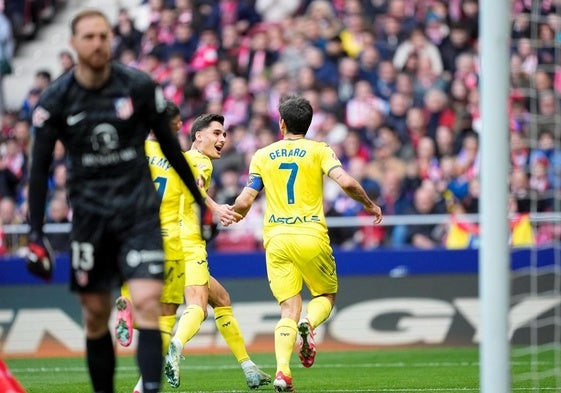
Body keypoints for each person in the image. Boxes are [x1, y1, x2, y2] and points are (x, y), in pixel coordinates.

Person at [25, 9, 205, 393]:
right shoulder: (56, 99)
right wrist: (35, 232)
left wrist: (199, 203)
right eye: (89, 37)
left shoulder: (138, 86)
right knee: (95, 315)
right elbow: (38, 170)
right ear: (73, 43)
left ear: (111, 40)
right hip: (90, 219)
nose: (97, 43)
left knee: (147, 304)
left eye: (103, 36)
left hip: (138, 215)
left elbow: (173, 150)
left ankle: (151, 389)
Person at [227, 95, 383, 392]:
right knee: (326, 295)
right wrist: (369, 204)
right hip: (311, 235)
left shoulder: (262, 154)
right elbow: (347, 182)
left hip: (276, 239)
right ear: (308, 125)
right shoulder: (319, 150)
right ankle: (309, 324)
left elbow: (246, 199)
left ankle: (283, 372)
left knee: (288, 308)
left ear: (281, 123)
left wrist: (232, 215)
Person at [164, 113, 272, 390]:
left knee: (221, 299)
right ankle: (175, 346)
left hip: (165, 242)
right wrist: (216, 207)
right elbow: (197, 188)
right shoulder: (200, 161)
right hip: (188, 242)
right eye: (216, 133)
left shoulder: (176, 160)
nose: (222, 139)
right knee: (197, 306)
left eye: (224, 134)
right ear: (198, 136)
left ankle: (248, 368)